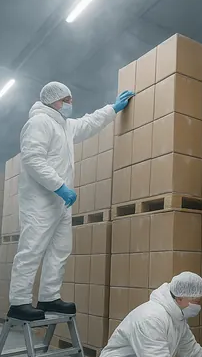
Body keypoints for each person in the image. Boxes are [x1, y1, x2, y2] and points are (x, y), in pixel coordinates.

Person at [7, 82, 134, 321]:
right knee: (32, 249)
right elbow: (33, 159)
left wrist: (113, 108)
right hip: (40, 201)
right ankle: (19, 301)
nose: (70, 104)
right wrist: (60, 187)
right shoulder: (38, 123)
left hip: (59, 202)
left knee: (60, 249)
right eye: (67, 100)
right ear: (53, 100)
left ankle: (49, 297)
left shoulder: (63, 125)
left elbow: (88, 123)